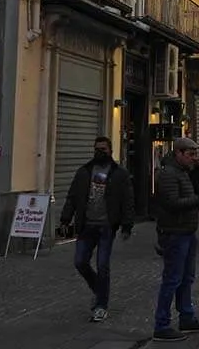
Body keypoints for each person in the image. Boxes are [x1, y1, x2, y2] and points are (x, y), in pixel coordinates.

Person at [58, 136, 136, 323]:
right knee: (80, 262)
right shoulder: (84, 172)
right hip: (86, 225)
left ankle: (101, 306)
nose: (99, 152)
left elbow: (127, 200)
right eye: (96, 149)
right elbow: (72, 196)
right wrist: (65, 218)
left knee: (103, 266)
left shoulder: (120, 173)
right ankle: (98, 289)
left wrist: (127, 225)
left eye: (103, 149)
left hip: (106, 227)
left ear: (110, 151)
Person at [153, 137, 199, 342]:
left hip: (186, 232)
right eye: (190, 155)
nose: (194, 159)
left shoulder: (182, 172)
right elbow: (172, 203)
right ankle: (161, 324)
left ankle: (186, 317)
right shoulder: (168, 174)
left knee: (186, 278)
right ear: (178, 153)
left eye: (195, 154)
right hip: (174, 232)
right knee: (172, 279)